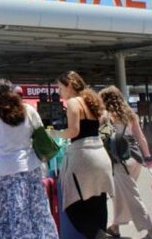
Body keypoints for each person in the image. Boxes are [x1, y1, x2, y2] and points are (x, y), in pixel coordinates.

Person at [0, 79, 58, 239]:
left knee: (1, 218)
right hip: (31, 170)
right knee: (36, 215)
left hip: (4, 173)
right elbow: (40, 134)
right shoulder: (28, 110)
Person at [49, 71, 114, 239]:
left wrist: (56, 134)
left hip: (83, 156)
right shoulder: (91, 101)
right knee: (98, 200)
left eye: (60, 88)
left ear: (69, 85)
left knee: (73, 204)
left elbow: (74, 131)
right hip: (100, 153)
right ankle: (101, 232)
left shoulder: (73, 103)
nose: (59, 92)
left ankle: (98, 235)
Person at [99, 86, 152, 239]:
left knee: (131, 196)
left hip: (119, 160)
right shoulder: (130, 114)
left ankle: (151, 232)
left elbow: (102, 138)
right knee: (122, 193)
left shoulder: (106, 116)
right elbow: (141, 138)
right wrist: (148, 157)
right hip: (135, 158)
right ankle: (115, 228)